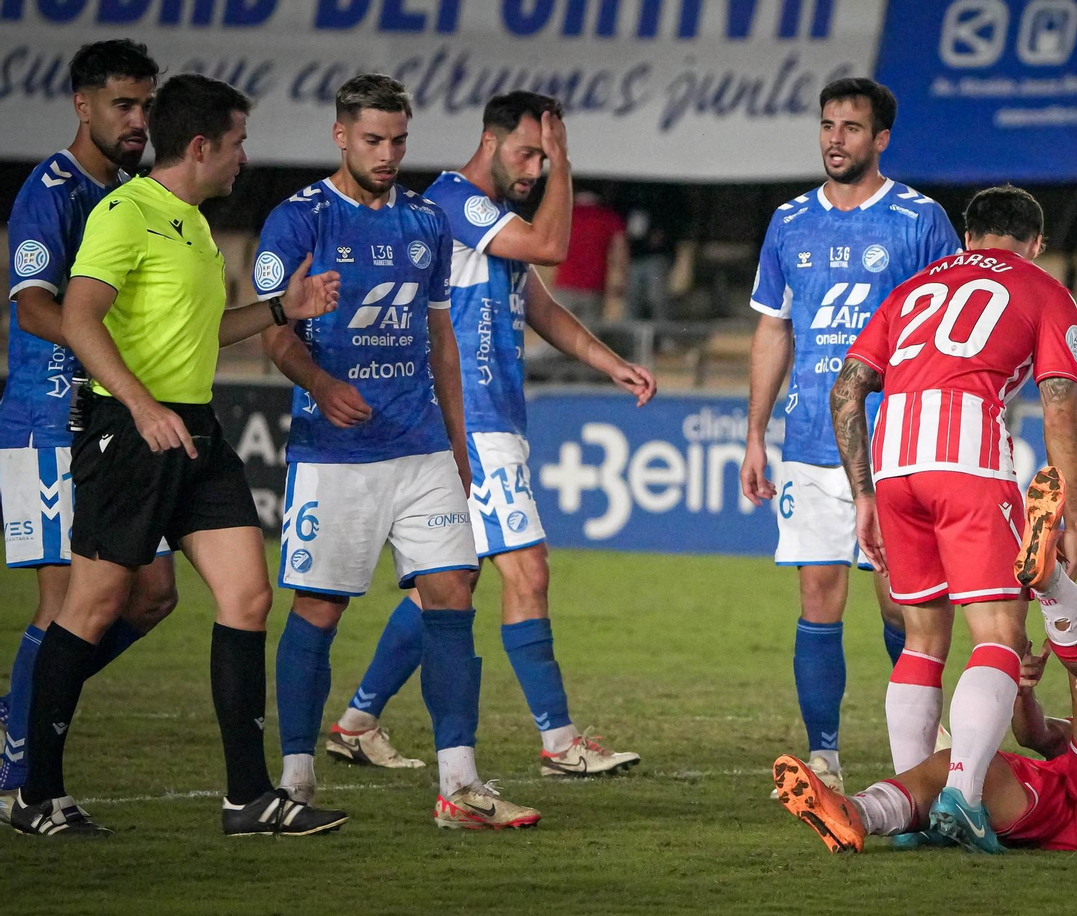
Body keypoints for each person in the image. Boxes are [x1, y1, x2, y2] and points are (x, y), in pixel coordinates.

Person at [11, 73, 346, 838]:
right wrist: (138, 404)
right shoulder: (124, 213)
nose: (243, 159)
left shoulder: (191, 222)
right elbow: (79, 317)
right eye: (238, 144)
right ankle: (35, 795)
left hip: (193, 431)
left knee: (247, 598)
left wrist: (280, 310)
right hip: (129, 435)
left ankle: (247, 798)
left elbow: (203, 333)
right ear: (201, 146)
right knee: (89, 612)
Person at [324, 90, 655, 778]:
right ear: (489, 141)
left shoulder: (491, 222)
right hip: (471, 423)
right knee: (527, 572)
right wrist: (566, 164)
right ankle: (561, 743)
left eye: (545, 154)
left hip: (490, 419)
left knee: (446, 585)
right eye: (528, 152)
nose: (536, 167)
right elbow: (554, 244)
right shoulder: (456, 202)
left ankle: (355, 723)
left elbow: (541, 306)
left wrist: (610, 362)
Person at [255, 74, 541, 829]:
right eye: (374, 140)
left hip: (420, 447)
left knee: (454, 592)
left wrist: (456, 441)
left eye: (399, 141)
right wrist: (318, 380)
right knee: (318, 607)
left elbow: (439, 338)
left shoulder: (424, 222)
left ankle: (459, 784)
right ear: (341, 135)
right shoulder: (299, 219)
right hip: (336, 452)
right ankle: (296, 775)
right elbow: (273, 332)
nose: (388, 154)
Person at [828, 185, 1077, 850]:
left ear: (969, 238)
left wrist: (864, 494)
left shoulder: (917, 285)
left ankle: (908, 805)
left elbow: (846, 388)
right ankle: (962, 798)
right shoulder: (1044, 289)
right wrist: (1071, 514)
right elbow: (1057, 405)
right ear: (1035, 244)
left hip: (892, 467)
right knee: (999, 635)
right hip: (968, 461)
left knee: (921, 641)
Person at [741, 77, 963, 795]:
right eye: (828, 125)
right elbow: (774, 328)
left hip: (896, 441)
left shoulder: (920, 220)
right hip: (809, 441)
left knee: (901, 599)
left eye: (852, 127)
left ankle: (922, 741)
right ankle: (826, 755)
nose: (836, 138)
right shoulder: (789, 221)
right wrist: (754, 433)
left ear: (881, 139)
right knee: (818, 596)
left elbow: (950, 328)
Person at [0, 40, 179, 817]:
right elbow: (30, 301)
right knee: (66, 605)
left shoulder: (138, 194)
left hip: (111, 421)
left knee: (152, 596)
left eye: (147, 106)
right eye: (123, 106)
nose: (139, 121)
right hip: (46, 422)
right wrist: (93, 336)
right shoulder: (53, 188)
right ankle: (22, 781)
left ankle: (21, 713)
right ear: (83, 105)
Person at [773, 586, 1077, 853]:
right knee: (957, 767)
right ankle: (856, 814)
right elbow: (1039, 737)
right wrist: (1023, 693)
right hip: (1075, 806)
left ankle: (1051, 583)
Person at [552, 189, 627, 326]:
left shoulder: (565, 215)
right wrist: (621, 279)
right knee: (589, 335)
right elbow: (620, 251)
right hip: (594, 285)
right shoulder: (609, 217)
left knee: (557, 332)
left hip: (565, 283)